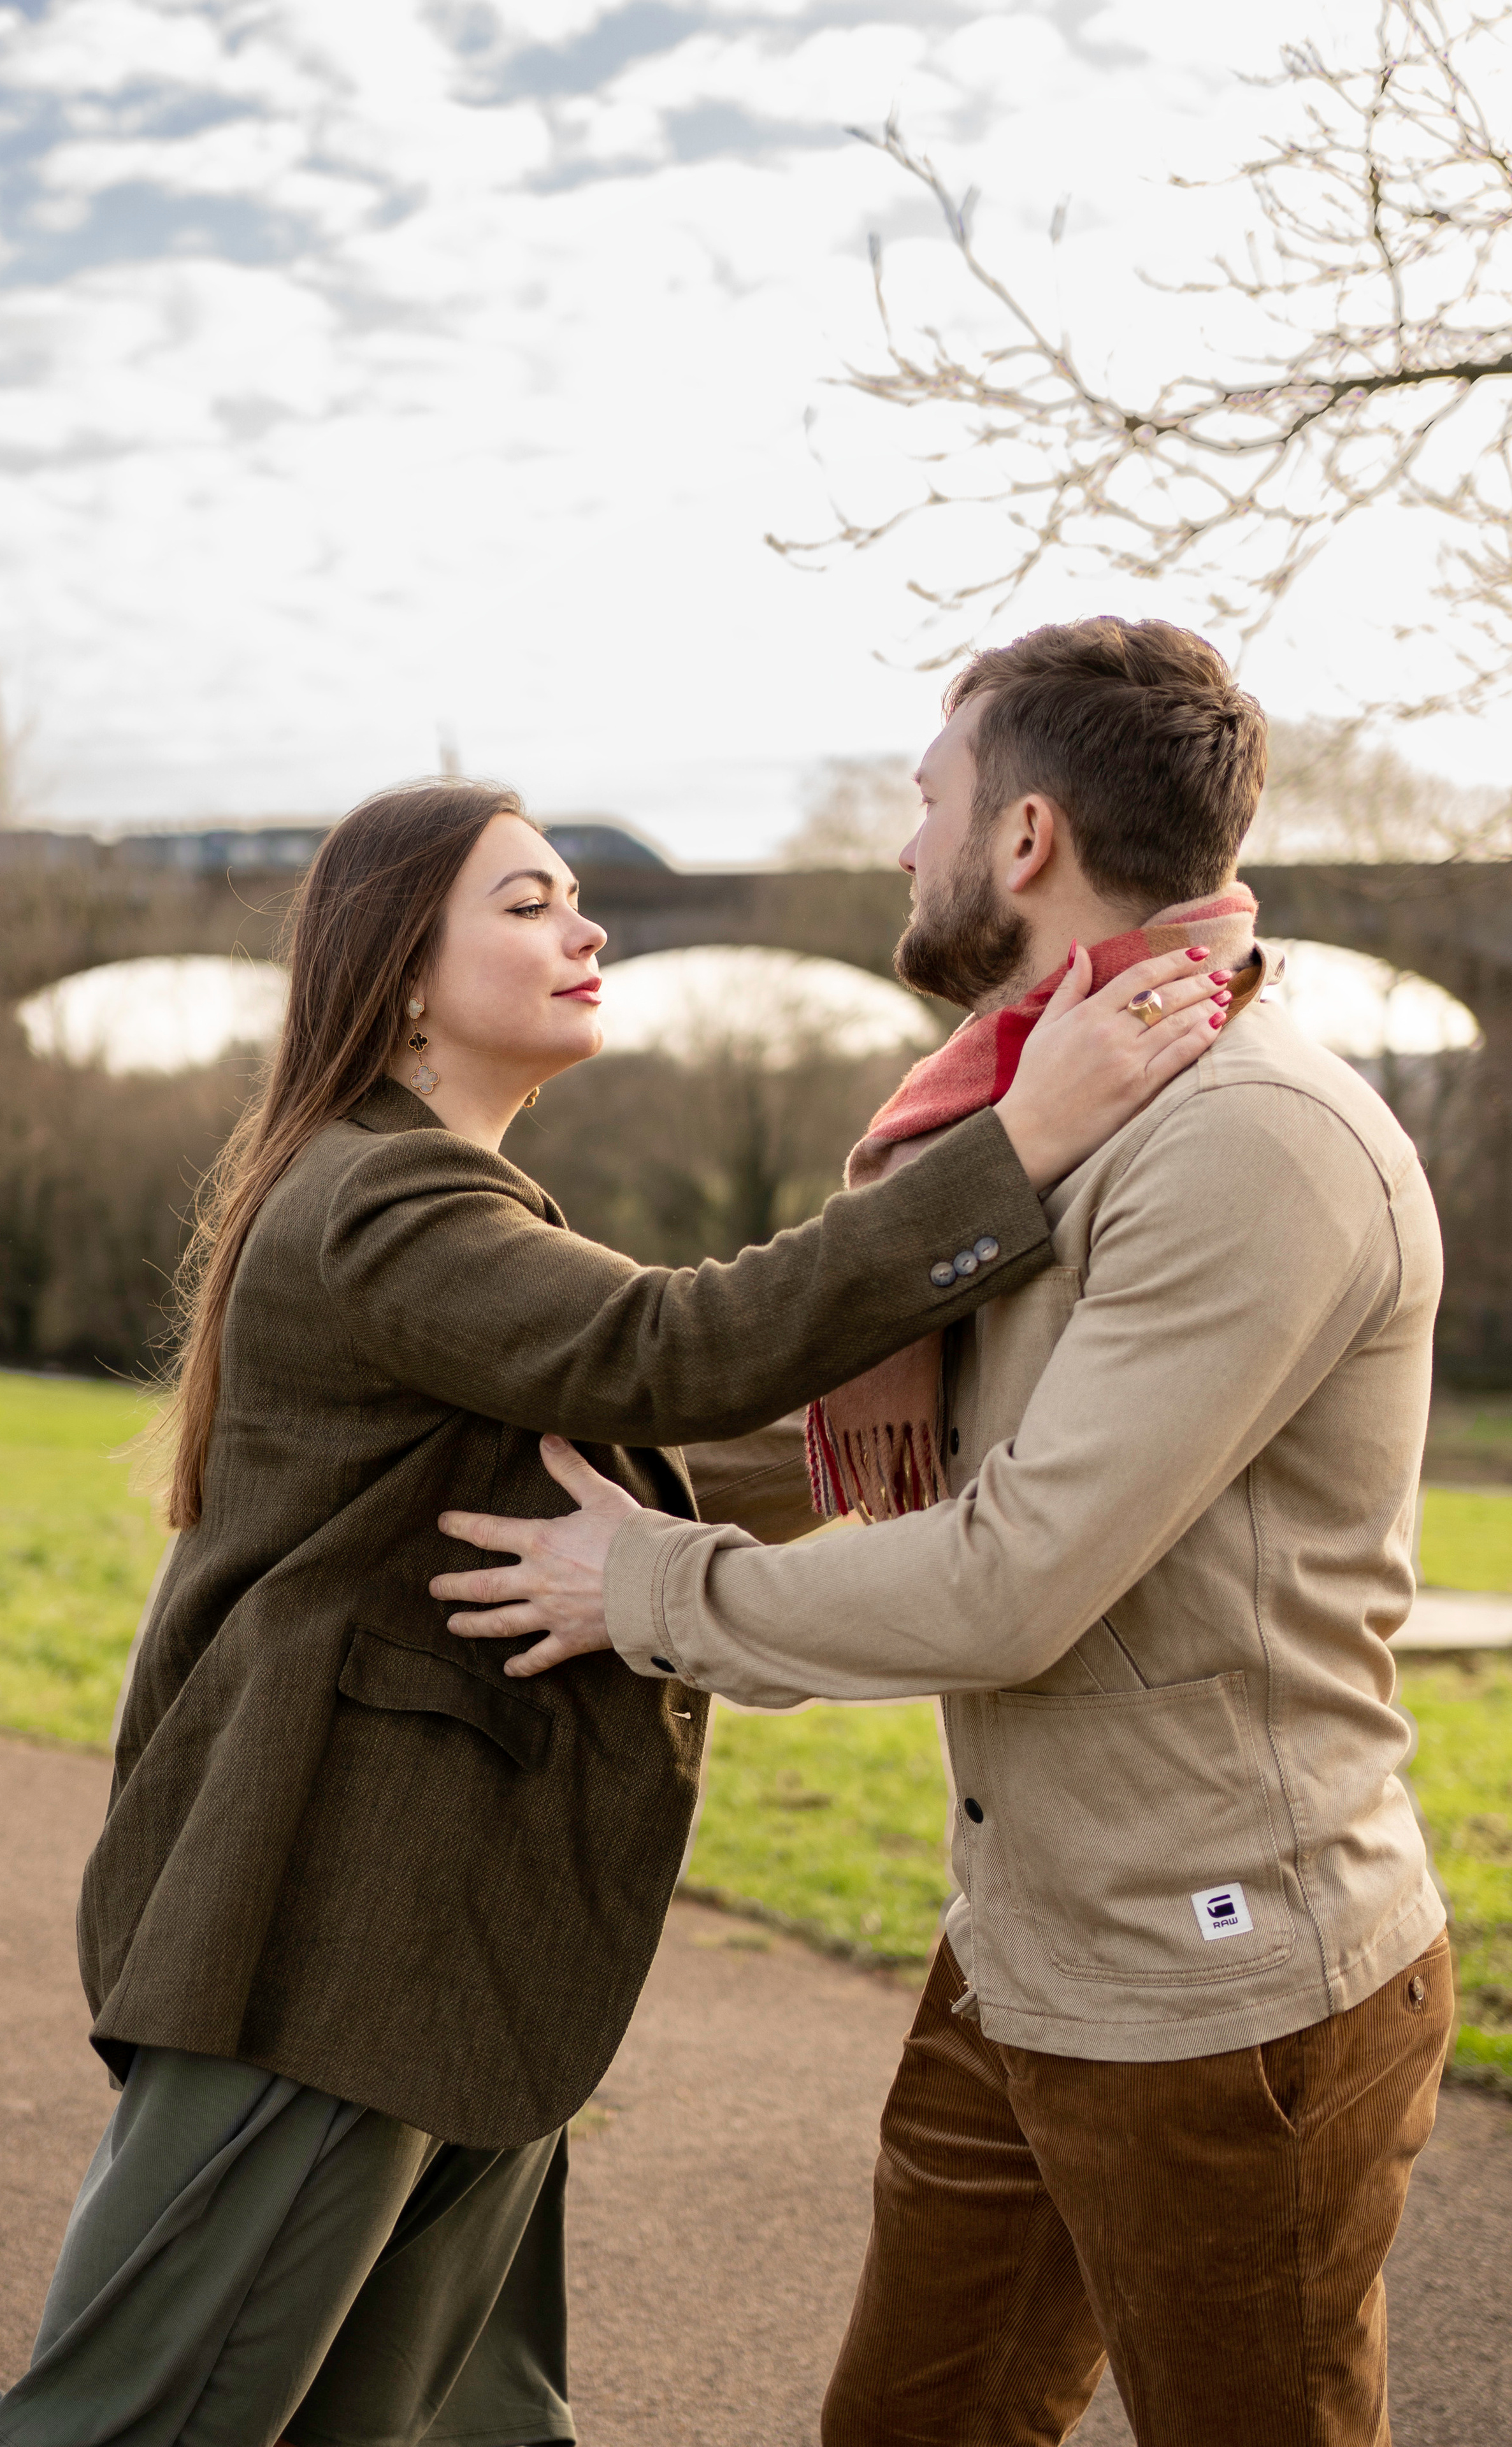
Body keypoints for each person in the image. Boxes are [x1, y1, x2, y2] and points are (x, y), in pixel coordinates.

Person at [0, 777, 1225, 2447]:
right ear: (395, 976)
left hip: (453, 1952)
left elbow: (646, 1446)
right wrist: (1021, 1144)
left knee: (466, 2427)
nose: (586, 926)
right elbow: (670, 1351)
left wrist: (1003, 1431)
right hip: (329, 1941)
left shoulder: (435, 1203)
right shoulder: (385, 1203)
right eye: (526, 904)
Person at [435, 619, 1451, 2447]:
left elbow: (1012, 1575)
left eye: (929, 801)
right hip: (1031, 1949)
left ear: (1028, 837)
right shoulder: (1043, 1116)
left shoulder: (1251, 1143)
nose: (907, 846)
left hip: (1222, 2005)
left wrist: (647, 1589)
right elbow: (884, 1432)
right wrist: (514, 1443)